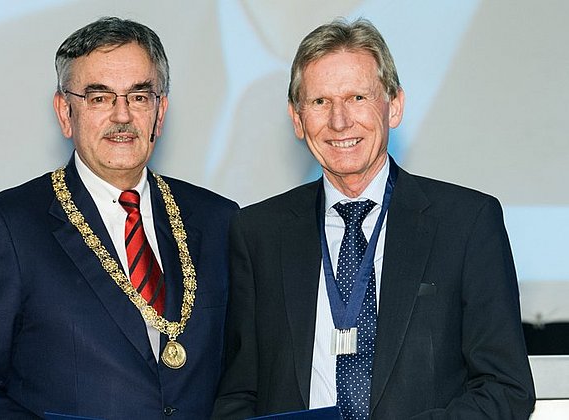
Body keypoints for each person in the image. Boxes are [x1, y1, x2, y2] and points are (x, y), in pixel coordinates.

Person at [212, 17, 535, 419]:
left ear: (394, 105)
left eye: (358, 98)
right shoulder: (257, 233)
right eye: (319, 102)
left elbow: (506, 389)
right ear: (297, 119)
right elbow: (237, 395)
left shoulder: (467, 223)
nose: (339, 121)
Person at [0, 16, 238, 419]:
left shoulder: (219, 220)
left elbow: (241, 376)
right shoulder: (7, 227)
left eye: (139, 97)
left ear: (160, 113)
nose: (122, 116)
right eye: (99, 97)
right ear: (64, 112)